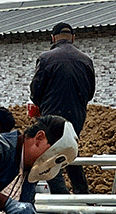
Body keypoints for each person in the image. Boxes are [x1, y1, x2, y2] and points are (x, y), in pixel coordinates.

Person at [30, 22, 95, 194]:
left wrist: (40, 105)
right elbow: (90, 92)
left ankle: (61, 197)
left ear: (52, 39)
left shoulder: (46, 58)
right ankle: (83, 194)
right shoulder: (85, 60)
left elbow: (36, 91)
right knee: (70, 150)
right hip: (76, 115)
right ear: (73, 38)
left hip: (52, 116)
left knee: (50, 155)